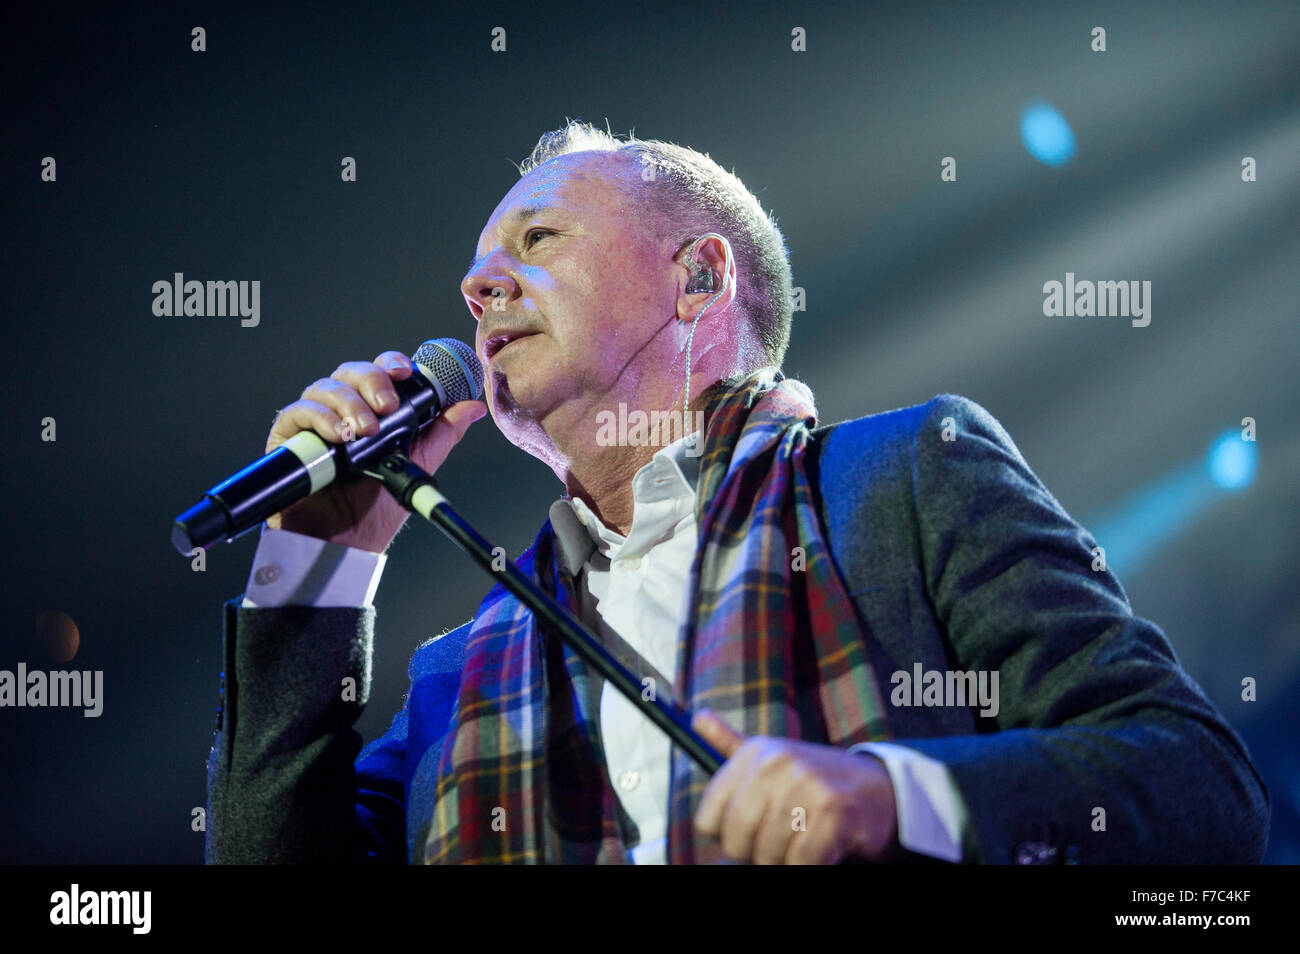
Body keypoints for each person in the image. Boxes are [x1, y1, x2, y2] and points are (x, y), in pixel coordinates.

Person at [205, 121, 1269, 865]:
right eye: (477, 269)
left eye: (536, 240)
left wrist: (895, 797)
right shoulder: (455, 672)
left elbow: (1193, 785)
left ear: (699, 278)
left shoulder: (899, 477)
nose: (479, 287)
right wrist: (318, 565)